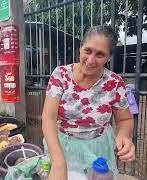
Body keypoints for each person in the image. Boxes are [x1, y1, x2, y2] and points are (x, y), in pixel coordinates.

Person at [42, 25, 135, 179]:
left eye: (100, 54)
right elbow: (48, 118)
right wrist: (59, 163)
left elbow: (125, 119)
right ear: (80, 48)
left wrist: (124, 135)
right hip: (63, 147)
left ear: (109, 57)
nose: (91, 60)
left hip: (99, 150)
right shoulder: (61, 75)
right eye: (88, 51)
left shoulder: (115, 83)